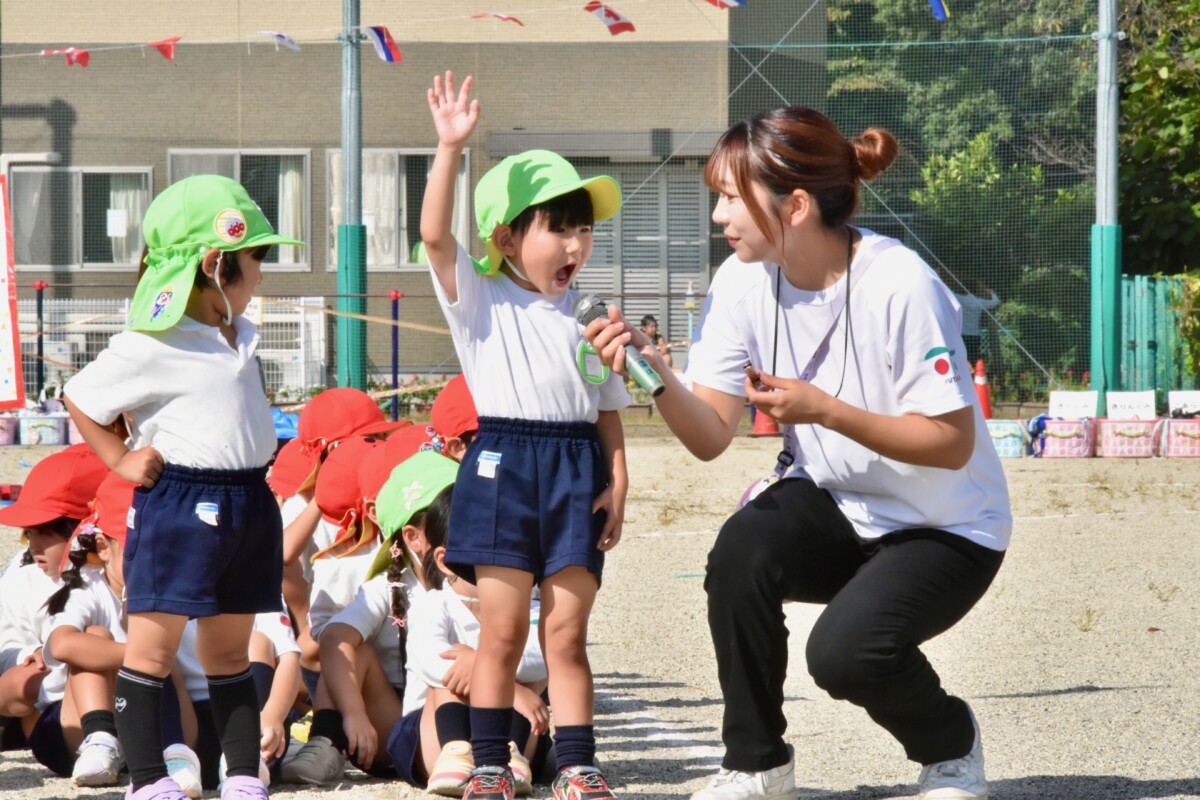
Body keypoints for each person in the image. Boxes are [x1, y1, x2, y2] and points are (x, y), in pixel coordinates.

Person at [584, 107, 1011, 800]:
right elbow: (710, 435)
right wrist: (655, 374)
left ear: (798, 205)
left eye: (732, 197)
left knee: (844, 654)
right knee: (740, 551)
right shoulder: (740, 281)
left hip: (948, 525)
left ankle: (951, 745)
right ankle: (757, 764)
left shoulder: (901, 283)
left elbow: (952, 441)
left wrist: (825, 411)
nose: (719, 215)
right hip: (840, 503)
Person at [421, 70, 630, 800]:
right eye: (558, 227)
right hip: (502, 466)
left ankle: (577, 764)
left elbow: (608, 407)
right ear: (507, 237)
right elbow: (435, 236)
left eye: (584, 228)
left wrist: (619, 480)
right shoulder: (480, 299)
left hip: (576, 469)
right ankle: (488, 763)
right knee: (503, 634)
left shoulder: (590, 313)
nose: (576, 243)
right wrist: (450, 148)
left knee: (566, 634)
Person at [64, 173, 305, 800]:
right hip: (179, 506)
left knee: (230, 656)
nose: (261, 275)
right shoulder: (151, 342)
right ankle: (148, 780)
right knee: (151, 653)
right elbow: (81, 395)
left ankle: (244, 775)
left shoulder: (241, 335)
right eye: (256, 259)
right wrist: (120, 458)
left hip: (249, 503)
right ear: (215, 264)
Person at [0, 445, 108, 775]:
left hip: (115, 703)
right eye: (29, 533)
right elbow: (6, 648)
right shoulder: (24, 576)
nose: (33, 544)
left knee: (92, 644)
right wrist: (29, 654)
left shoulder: (112, 580)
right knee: (19, 684)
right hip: (52, 712)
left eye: (45, 532)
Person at [952, 278, 1000, 368]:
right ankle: (974, 374)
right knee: (974, 357)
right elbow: (995, 302)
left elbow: (949, 294)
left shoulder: (960, 299)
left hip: (963, 334)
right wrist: (991, 293)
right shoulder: (979, 302)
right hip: (975, 334)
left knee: (962, 357)